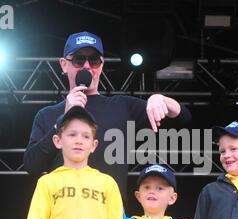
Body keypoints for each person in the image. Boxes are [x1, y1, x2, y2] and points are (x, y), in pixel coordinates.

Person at [23, 31, 191, 203]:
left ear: (101, 65)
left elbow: (183, 119)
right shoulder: (47, 115)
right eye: (79, 60)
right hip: (65, 216)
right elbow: (32, 165)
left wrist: (161, 99)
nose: (86, 66)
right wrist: (64, 118)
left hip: (108, 217)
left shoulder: (122, 107)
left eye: (94, 60)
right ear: (64, 65)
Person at [22, 106, 128, 219]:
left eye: (86, 136)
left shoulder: (107, 183)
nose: (79, 140)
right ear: (57, 141)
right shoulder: (47, 182)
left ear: (94, 145)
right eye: (72, 134)